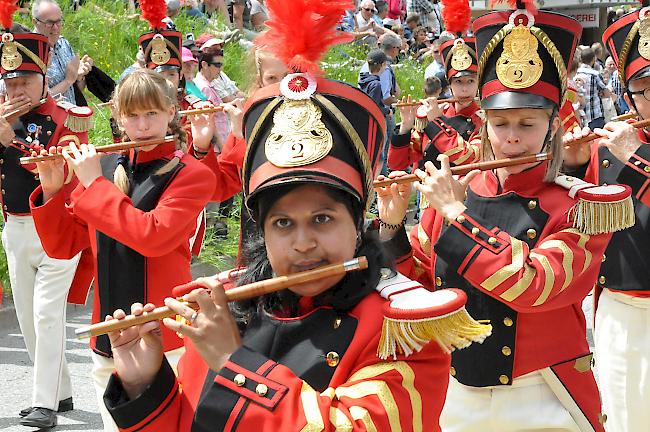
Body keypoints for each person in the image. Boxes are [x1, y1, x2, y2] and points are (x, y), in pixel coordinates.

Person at [101, 10, 492, 425]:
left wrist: (235, 363)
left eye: (322, 219)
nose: (303, 242)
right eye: (282, 223)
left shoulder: (402, 329)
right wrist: (144, 385)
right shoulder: (233, 307)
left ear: (357, 221)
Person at [378, 6, 633, 431]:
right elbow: (422, 286)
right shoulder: (462, 192)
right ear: (483, 124)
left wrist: (455, 216)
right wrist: (391, 227)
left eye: (527, 123)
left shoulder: (579, 207)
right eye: (500, 123)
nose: (512, 137)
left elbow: (533, 286)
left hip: (544, 397)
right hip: (457, 396)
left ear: (553, 127)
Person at [29, 69, 216, 432]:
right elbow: (64, 244)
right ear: (118, 118)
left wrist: (91, 184)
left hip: (168, 337)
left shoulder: (192, 174)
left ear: (170, 114)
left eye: (152, 114)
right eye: (132, 115)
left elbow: (151, 235)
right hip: (108, 335)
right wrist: (53, 191)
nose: (143, 125)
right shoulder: (104, 168)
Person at [0, 21, 93, 430]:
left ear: (44, 78)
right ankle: (60, 390)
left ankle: (44, 405)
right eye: (9, 80)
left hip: (57, 229)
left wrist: (12, 138)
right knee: (25, 317)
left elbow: (61, 172)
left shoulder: (67, 118)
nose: (15, 89)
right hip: (15, 227)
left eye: (24, 79)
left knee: (46, 315)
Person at [562, 6, 650, 430]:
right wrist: (578, 168)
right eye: (646, 88)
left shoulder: (628, 146)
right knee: (625, 415)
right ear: (630, 94)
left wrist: (639, 158)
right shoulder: (611, 143)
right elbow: (583, 228)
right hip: (621, 308)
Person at [388, 4, 481, 174]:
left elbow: (467, 157)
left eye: (470, 82)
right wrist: (406, 127)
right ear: (450, 85)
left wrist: (437, 122)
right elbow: (398, 164)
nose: (465, 89)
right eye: (459, 82)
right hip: (428, 196)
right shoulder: (435, 112)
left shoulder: (484, 120)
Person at [32, 0, 92, 104]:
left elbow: (77, 90)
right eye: (49, 23)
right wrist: (67, 81)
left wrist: (79, 76)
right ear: (35, 22)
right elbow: (34, 103)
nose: (55, 28)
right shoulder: (29, 53)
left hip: (71, 117)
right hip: (48, 119)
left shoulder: (63, 43)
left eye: (58, 22)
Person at [576, 48, 611, 130]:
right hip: (594, 115)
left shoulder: (575, 72)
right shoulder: (595, 74)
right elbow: (606, 93)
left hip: (580, 116)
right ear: (594, 59)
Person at [358, 49, 391, 117]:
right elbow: (373, 109)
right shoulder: (376, 85)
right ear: (383, 65)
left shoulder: (363, 80)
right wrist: (388, 111)